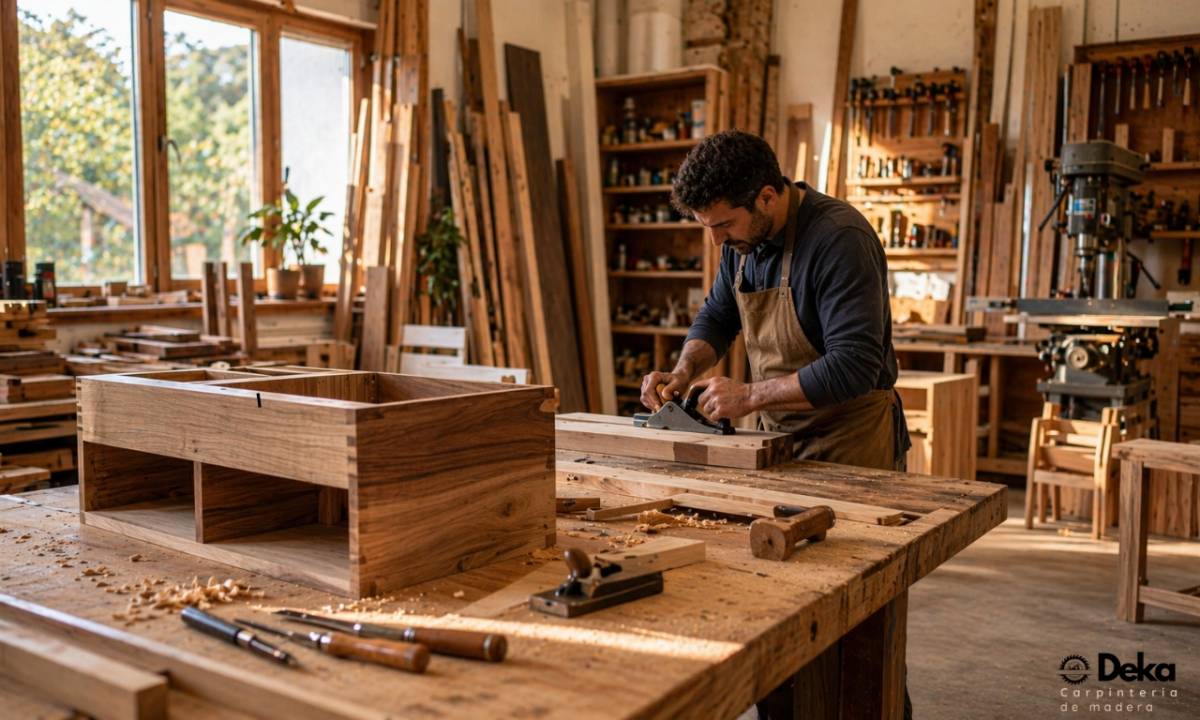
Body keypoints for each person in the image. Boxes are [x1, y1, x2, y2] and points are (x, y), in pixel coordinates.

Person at [639, 129, 910, 471]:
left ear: (766, 197)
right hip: (777, 439)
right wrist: (683, 371)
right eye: (707, 227)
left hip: (850, 443)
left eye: (724, 225)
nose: (716, 241)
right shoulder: (742, 243)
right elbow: (718, 317)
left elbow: (853, 366)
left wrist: (749, 396)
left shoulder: (840, 240)